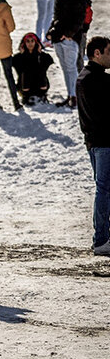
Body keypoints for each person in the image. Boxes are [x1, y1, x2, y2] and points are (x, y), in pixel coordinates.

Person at [76, 36, 110, 256]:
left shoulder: (84, 77)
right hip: (104, 142)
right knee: (104, 190)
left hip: (95, 142)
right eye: (109, 52)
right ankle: (101, 240)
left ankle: (102, 239)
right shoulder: (96, 80)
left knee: (104, 189)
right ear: (97, 53)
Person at [47, 0, 89, 109]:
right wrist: (50, 32)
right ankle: (71, 95)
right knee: (65, 68)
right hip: (58, 38)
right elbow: (56, 18)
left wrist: (69, 34)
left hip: (70, 39)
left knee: (72, 68)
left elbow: (80, 19)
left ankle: (77, 97)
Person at [11, 33, 53, 105]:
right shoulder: (18, 57)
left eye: (32, 41)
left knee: (39, 70)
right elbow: (20, 70)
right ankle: (25, 97)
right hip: (25, 88)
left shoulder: (43, 56)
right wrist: (24, 56)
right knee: (26, 71)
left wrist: (40, 54)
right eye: (28, 41)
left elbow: (44, 68)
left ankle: (43, 95)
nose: (30, 44)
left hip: (40, 87)